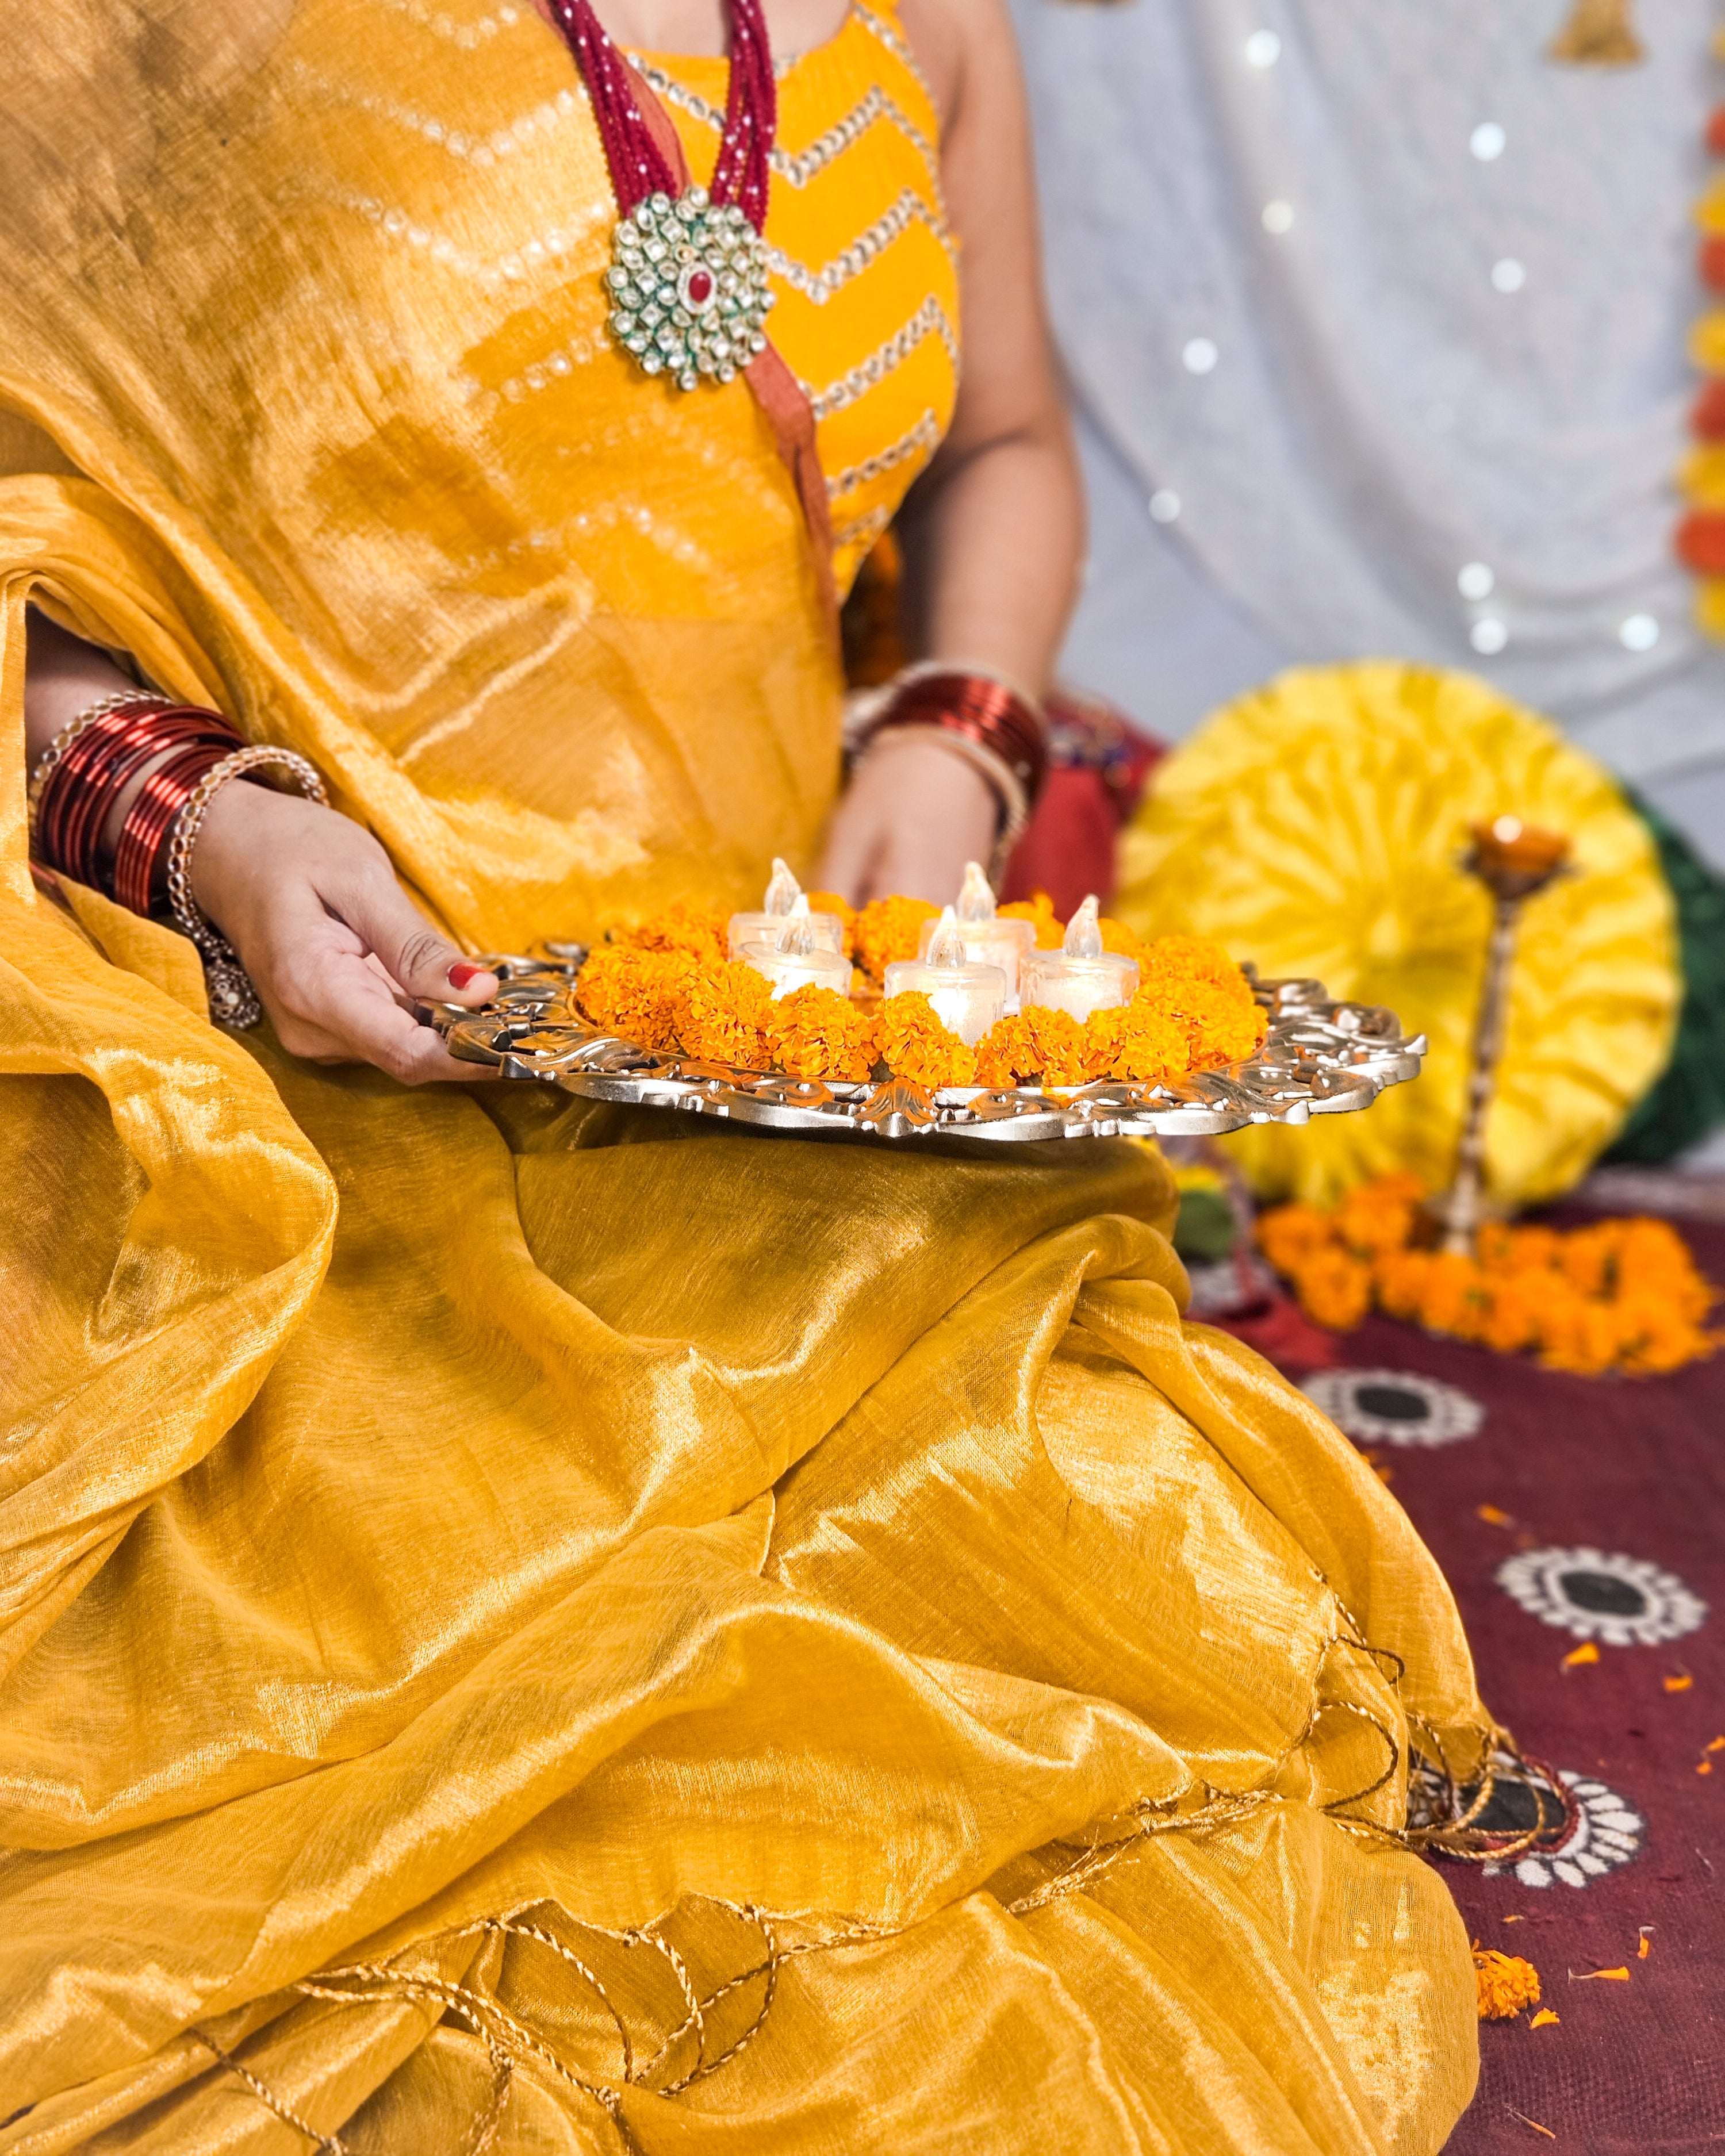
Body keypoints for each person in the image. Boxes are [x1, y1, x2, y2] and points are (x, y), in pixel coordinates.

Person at [1, 2, 1493, 2148]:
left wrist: (952, 737)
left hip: (775, 1074)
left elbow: (1006, 446)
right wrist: (189, 821)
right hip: (287, 1091)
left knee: (1107, 1615)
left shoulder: (928, 30)